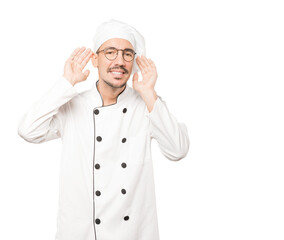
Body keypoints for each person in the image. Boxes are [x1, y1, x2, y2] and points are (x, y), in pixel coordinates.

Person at [18, 19, 190, 240]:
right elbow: (27, 130)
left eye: (127, 54)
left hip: (133, 234)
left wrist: (149, 93)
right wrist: (66, 83)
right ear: (95, 59)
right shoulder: (73, 104)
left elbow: (178, 149)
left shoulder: (146, 105)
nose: (119, 61)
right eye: (111, 52)